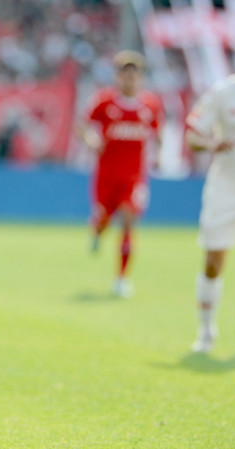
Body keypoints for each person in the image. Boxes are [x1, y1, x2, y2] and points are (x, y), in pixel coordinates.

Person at [185, 34, 235, 353]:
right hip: (225, 189)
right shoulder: (223, 93)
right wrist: (213, 143)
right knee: (214, 262)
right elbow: (192, 136)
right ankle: (206, 330)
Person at [77, 50, 163, 297]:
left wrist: (158, 154)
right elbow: (82, 127)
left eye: (134, 76)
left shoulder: (150, 105)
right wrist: (92, 140)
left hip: (134, 178)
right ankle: (97, 230)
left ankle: (121, 279)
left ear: (140, 78)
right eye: (124, 75)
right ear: (117, 77)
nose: (129, 80)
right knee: (103, 220)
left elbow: (158, 134)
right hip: (106, 176)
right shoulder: (104, 102)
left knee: (127, 221)